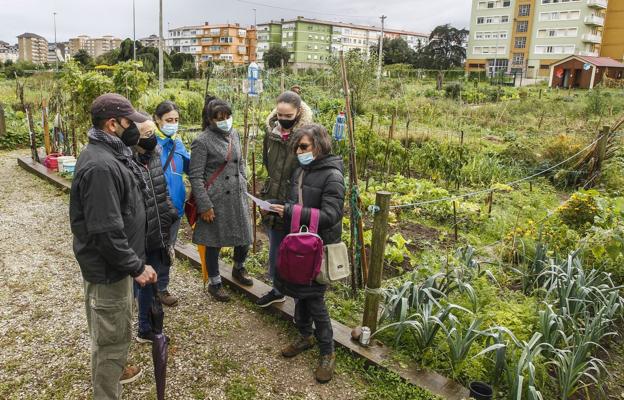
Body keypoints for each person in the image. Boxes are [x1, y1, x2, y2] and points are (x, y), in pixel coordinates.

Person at [70, 93, 158, 399]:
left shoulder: (112, 154)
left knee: (114, 332)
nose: (134, 128)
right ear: (112, 124)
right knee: (111, 341)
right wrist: (135, 266)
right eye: (128, 122)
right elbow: (106, 231)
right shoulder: (101, 167)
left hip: (115, 268)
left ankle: (113, 379)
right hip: (109, 270)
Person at [270, 123, 345, 384]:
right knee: (299, 293)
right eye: (297, 147)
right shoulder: (302, 170)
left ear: (320, 146)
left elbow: (331, 215)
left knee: (314, 300)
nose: (299, 151)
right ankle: (305, 336)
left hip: (318, 246)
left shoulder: (332, 176)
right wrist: (280, 208)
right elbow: (297, 203)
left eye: (304, 147)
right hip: (300, 243)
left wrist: (290, 211)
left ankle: (328, 353)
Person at [188, 98, 253, 302]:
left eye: (227, 117)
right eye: (219, 119)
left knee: (245, 236)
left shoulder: (234, 133)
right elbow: (196, 176)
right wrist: (205, 205)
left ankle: (238, 267)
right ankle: (215, 282)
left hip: (237, 194)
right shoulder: (202, 141)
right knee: (213, 242)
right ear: (210, 120)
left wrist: (243, 181)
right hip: (215, 199)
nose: (225, 121)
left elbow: (240, 162)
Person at [256, 90, 313, 308]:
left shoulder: (307, 137)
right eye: (280, 114)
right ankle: (278, 290)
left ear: (298, 113)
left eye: (288, 116)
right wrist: (266, 196)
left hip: (297, 202)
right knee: (276, 249)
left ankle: (301, 300)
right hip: (274, 199)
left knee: (298, 251)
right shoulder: (271, 134)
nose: (283, 119)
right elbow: (268, 166)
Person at [133, 119, 179, 342]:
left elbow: (162, 190)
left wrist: (169, 212)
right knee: (140, 281)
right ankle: (142, 326)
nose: (152, 137)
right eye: (146, 133)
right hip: (140, 232)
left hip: (158, 228)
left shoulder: (154, 155)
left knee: (152, 281)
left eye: (152, 132)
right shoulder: (127, 162)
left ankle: (146, 325)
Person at [153, 100, 190, 307]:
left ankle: (162, 288)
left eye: (176, 120)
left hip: (175, 207)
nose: (173, 124)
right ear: (157, 120)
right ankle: (144, 289)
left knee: (168, 249)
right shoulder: (151, 144)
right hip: (155, 207)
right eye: (168, 120)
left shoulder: (178, 143)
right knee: (152, 249)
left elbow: (189, 166)